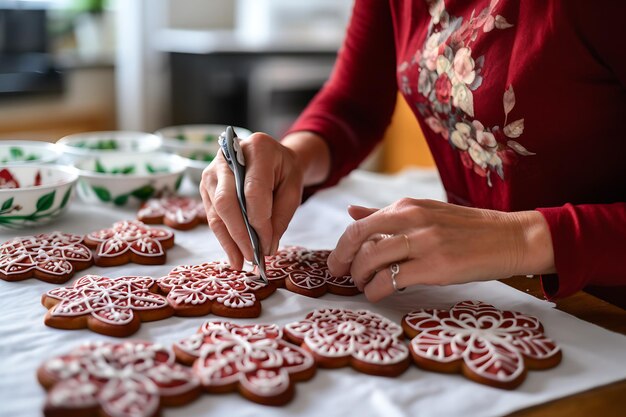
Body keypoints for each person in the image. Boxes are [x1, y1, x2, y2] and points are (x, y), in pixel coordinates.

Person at [200, 0, 626, 303]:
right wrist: (291, 157)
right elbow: (353, 104)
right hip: (486, 285)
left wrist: (518, 239)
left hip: (602, 301)